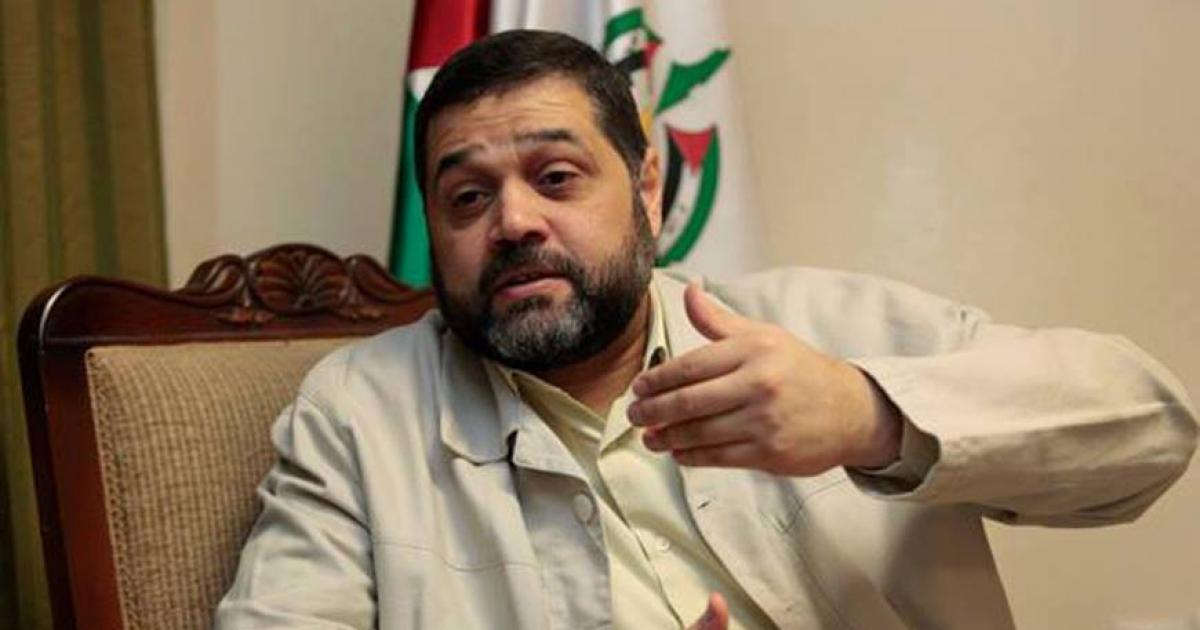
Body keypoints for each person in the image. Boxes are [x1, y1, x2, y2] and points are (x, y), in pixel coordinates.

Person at [215, 30, 1197, 630]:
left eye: (556, 177)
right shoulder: (361, 412)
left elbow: (1151, 429)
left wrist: (868, 414)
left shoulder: (823, 325)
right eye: (468, 196)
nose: (512, 222)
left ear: (646, 188)